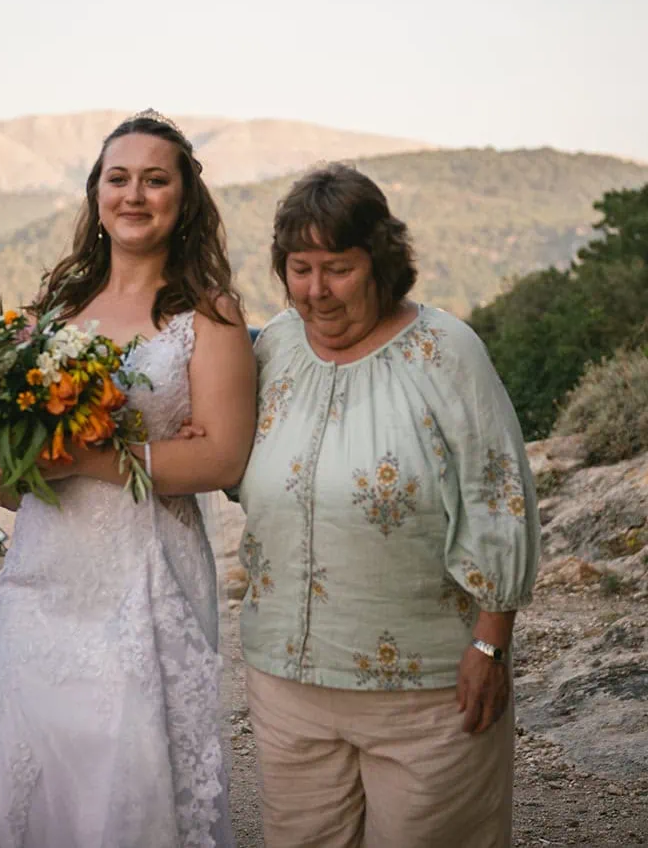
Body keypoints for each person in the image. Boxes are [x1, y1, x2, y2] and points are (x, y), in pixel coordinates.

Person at [0, 111, 256, 847]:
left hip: (143, 579)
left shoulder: (206, 316)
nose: (135, 194)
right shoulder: (53, 316)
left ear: (185, 198)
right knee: (34, 776)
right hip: (42, 579)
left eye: (156, 180)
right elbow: (9, 484)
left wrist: (94, 457)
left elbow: (222, 459)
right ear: (95, 194)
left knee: (127, 780)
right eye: (118, 178)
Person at [230, 163, 539, 848]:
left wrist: (492, 641)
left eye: (338, 268)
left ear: (381, 263)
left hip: (426, 693)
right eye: (299, 268)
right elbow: (236, 463)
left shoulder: (446, 352)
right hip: (287, 684)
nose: (316, 291)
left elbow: (499, 497)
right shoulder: (276, 346)